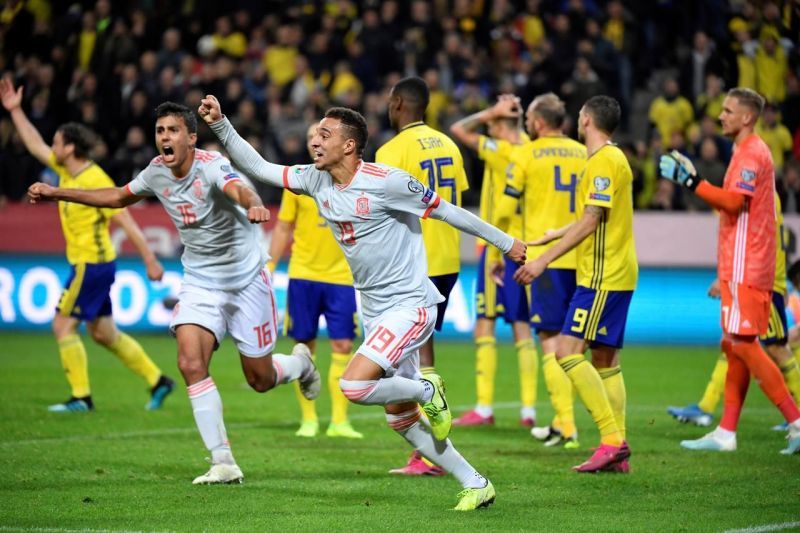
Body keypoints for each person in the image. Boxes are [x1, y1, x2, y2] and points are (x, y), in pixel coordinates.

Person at [199, 95, 526, 510]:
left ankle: (428, 387)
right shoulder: (316, 180)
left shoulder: (388, 181)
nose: (315, 140)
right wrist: (222, 124)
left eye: (325, 134)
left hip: (410, 303)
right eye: (316, 133)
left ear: (350, 145)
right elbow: (261, 168)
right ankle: (476, 482)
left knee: (353, 384)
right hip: (374, 309)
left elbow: (449, 212)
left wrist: (507, 242)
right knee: (400, 420)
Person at [27, 101, 322, 484]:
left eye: (172, 130)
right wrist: (56, 192)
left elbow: (239, 189)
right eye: (160, 131)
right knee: (189, 362)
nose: (164, 137)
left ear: (192, 137)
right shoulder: (155, 172)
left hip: (247, 279)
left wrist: (254, 205)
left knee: (260, 380)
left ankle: (301, 364)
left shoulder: (211, 165)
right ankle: (223, 462)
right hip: (200, 281)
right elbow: (117, 197)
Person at [0, 77, 174, 413]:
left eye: (57, 143)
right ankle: (158, 380)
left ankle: (81, 398)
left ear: (70, 148)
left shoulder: (96, 181)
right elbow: (35, 144)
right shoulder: (65, 170)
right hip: (94, 265)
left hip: (91, 265)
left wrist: (150, 258)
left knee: (62, 325)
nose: (51, 148)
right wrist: (16, 110)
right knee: (104, 334)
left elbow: (126, 220)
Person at [659, 87, 800, 454]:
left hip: (748, 264)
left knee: (745, 345)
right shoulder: (744, 151)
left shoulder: (752, 153)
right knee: (735, 345)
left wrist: (691, 182)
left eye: (727, 110)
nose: (720, 116)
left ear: (747, 117)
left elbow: (735, 203)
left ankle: (796, 420)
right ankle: (726, 432)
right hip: (741, 264)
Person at [515, 95, 637, 473]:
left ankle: (611, 440)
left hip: (602, 274)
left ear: (585, 119)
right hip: (614, 270)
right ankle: (619, 447)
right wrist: (556, 233)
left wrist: (542, 260)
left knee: (567, 350)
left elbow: (592, 219)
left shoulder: (603, 161)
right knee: (605, 360)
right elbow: (592, 216)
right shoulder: (611, 158)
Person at [375, 76, 469, 476]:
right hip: (447, 257)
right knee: (422, 353)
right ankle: (428, 452)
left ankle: (429, 453)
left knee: (411, 362)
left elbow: (380, 211)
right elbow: (455, 198)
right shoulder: (449, 143)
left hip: (413, 263)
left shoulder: (391, 150)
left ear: (397, 103)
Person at [491, 93, 588, 447]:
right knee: (573, 344)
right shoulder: (584, 152)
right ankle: (568, 422)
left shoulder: (527, 154)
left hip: (544, 259)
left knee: (550, 341)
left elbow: (504, 208)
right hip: (581, 257)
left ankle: (567, 425)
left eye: (530, 117)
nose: (527, 123)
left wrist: (496, 251)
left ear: (540, 122)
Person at [667, 193, 800, 429]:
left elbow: (750, 241)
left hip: (763, 286)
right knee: (733, 343)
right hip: (761, 282)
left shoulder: (757, 195)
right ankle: (707, 410)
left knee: (777, 349)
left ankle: (796, 416)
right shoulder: (770, 195)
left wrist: (725, 278)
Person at [448, 94, 540, 429]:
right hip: (528, 245)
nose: (488, 128)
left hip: (496, 243)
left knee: (485, 322)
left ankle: (484, 408)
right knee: (522, 327)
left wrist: (491, 111)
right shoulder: (532, 149)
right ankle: (529, 410)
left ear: (502, 126)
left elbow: (458, 129)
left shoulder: (499, 150)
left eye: (493, 125)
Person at [268, 121, 362, 440]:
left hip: (341, 277)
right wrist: (269, 265)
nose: (315, 142)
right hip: (304, 275)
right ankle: (308, 419)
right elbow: (283, 227)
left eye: (321, 136)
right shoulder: (297, 181)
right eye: (311, 137)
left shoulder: (351, 179)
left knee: (343, 345)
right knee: (303, 348)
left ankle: (339, 421)